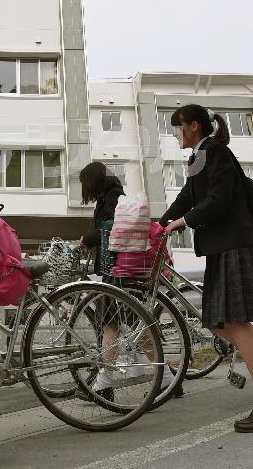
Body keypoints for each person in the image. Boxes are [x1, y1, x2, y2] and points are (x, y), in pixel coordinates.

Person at [160, 104, 253, 433]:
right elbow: (189, 195)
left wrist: (181, 223)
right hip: (221, 248)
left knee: (239, 325)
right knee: (215, 322)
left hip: (238, 245)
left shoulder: (218, 153)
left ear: (194, 126)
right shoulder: (199, 157)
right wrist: (163, 222)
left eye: (176, 127)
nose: (173, 133)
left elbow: (219, 199)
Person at [78, 160, 181, 401]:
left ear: (94, 181)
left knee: (111, 325)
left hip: (119, 271)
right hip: (123, 270)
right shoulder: (110, 197)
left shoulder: (113, 198)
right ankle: (167, 379)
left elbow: (113, 229)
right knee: (135, 326)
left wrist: (88, 238)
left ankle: (104, 385)